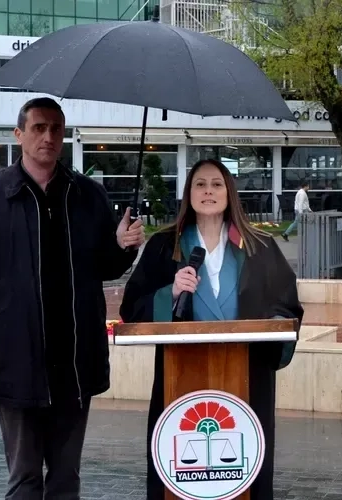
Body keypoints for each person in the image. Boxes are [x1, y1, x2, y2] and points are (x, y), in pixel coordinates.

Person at [0, 96, 145, 500]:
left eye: (56, 128)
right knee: (24, 479)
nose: (49, 136)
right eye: (39, 127)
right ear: (18, 134)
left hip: (74, 360)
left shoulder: (88, 195)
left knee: (66, 479)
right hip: (15, 359)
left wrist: (123, 245)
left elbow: (104, 268)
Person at [119, 159, 304, 500]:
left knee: (243, 471)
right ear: (188, 193)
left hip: (247, 377)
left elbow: (287, 305)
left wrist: (263, 323)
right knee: (181, 470)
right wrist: (171, 293)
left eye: (216, 184)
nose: (208, 191)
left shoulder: (259, 246)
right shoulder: (165, 246)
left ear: (229, 192)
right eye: (200, 184)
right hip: (180, 376)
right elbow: (131, 310)